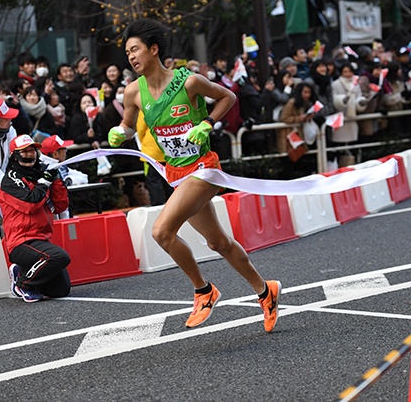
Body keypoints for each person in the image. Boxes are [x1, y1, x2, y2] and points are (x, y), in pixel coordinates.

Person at [108, 18, 281, 332]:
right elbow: (129, 125)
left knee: (161, 231)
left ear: (154, 49)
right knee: (218, 243)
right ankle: (265, 290)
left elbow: (228, 98)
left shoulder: (188, 81)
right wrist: (119, 133)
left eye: (136, 49)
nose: (131, 57)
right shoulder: (133, 92)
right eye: (127, 52)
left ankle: (204, 291)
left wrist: (207, 124)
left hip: (204, 169)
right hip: (175, 172)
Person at [0, 134, 71, 303]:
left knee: (61, 290)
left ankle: (23, 270)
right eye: (24, 152)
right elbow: (31, 205)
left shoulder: (41, 174)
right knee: (59, 257)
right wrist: (44, 183)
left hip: (42, 240)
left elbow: (60, 206)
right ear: (14, 156)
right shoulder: (10, 180)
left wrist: (57, 180)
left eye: (32, 150)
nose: (30, 154)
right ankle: (23, 284)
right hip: (21, 242)